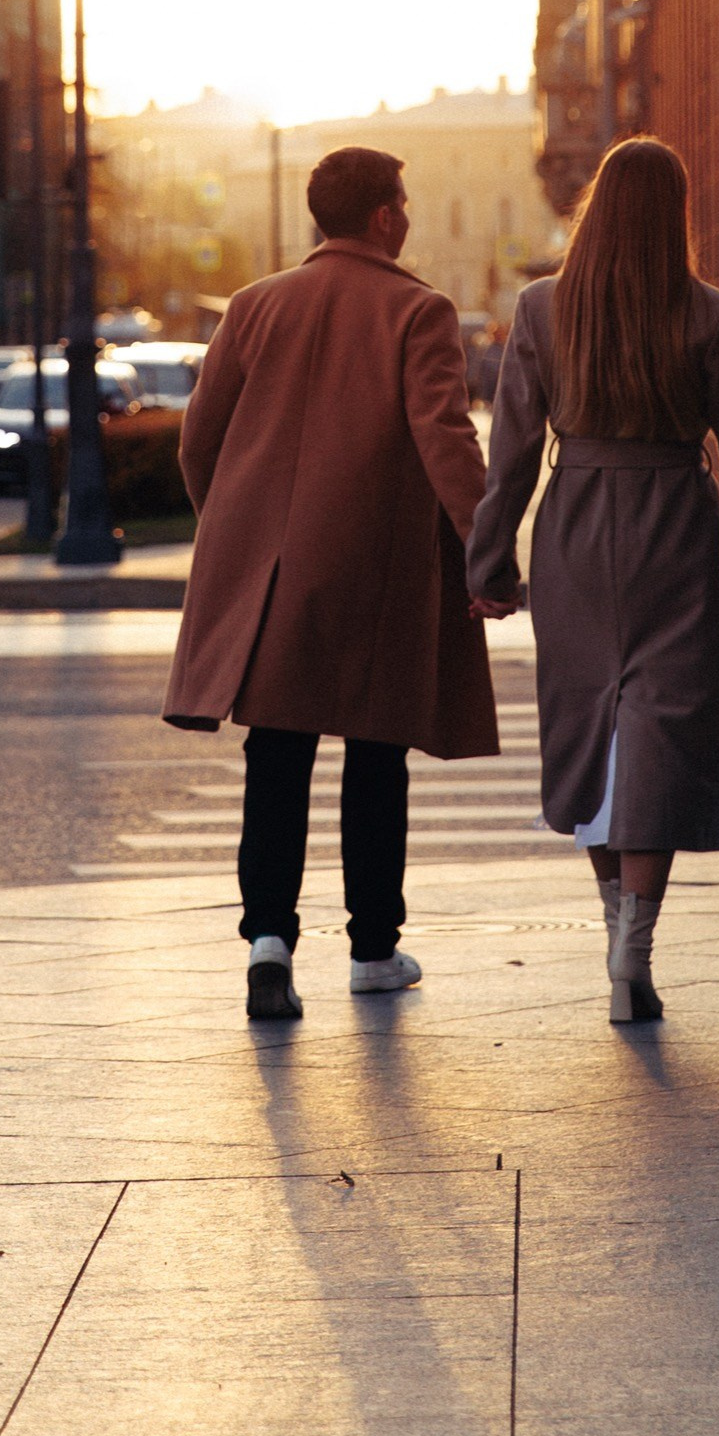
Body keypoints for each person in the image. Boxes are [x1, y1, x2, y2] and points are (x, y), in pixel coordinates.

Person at [463, 137, 719, 1025]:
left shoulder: (542, 308)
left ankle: (613, 929)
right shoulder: (709, 314)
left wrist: (490, 562)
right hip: (675, 533)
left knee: (590, 730)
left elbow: (511, 456)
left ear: (594, 209)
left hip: (576, 533)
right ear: (675, 215)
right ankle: (635, 951)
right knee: (660, 741)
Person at [164, 145, 497, 1019]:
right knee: (376, 754)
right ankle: (373, 950)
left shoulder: (254, 305)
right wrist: (487, 547)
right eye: (404, 203)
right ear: (384, 217)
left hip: (270, 571)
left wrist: (232, 530)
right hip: (374, 566)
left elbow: (199, 439)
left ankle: (268, 944)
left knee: (275, 754)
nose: (408, 215)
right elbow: (445, 437)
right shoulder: (418, 310)